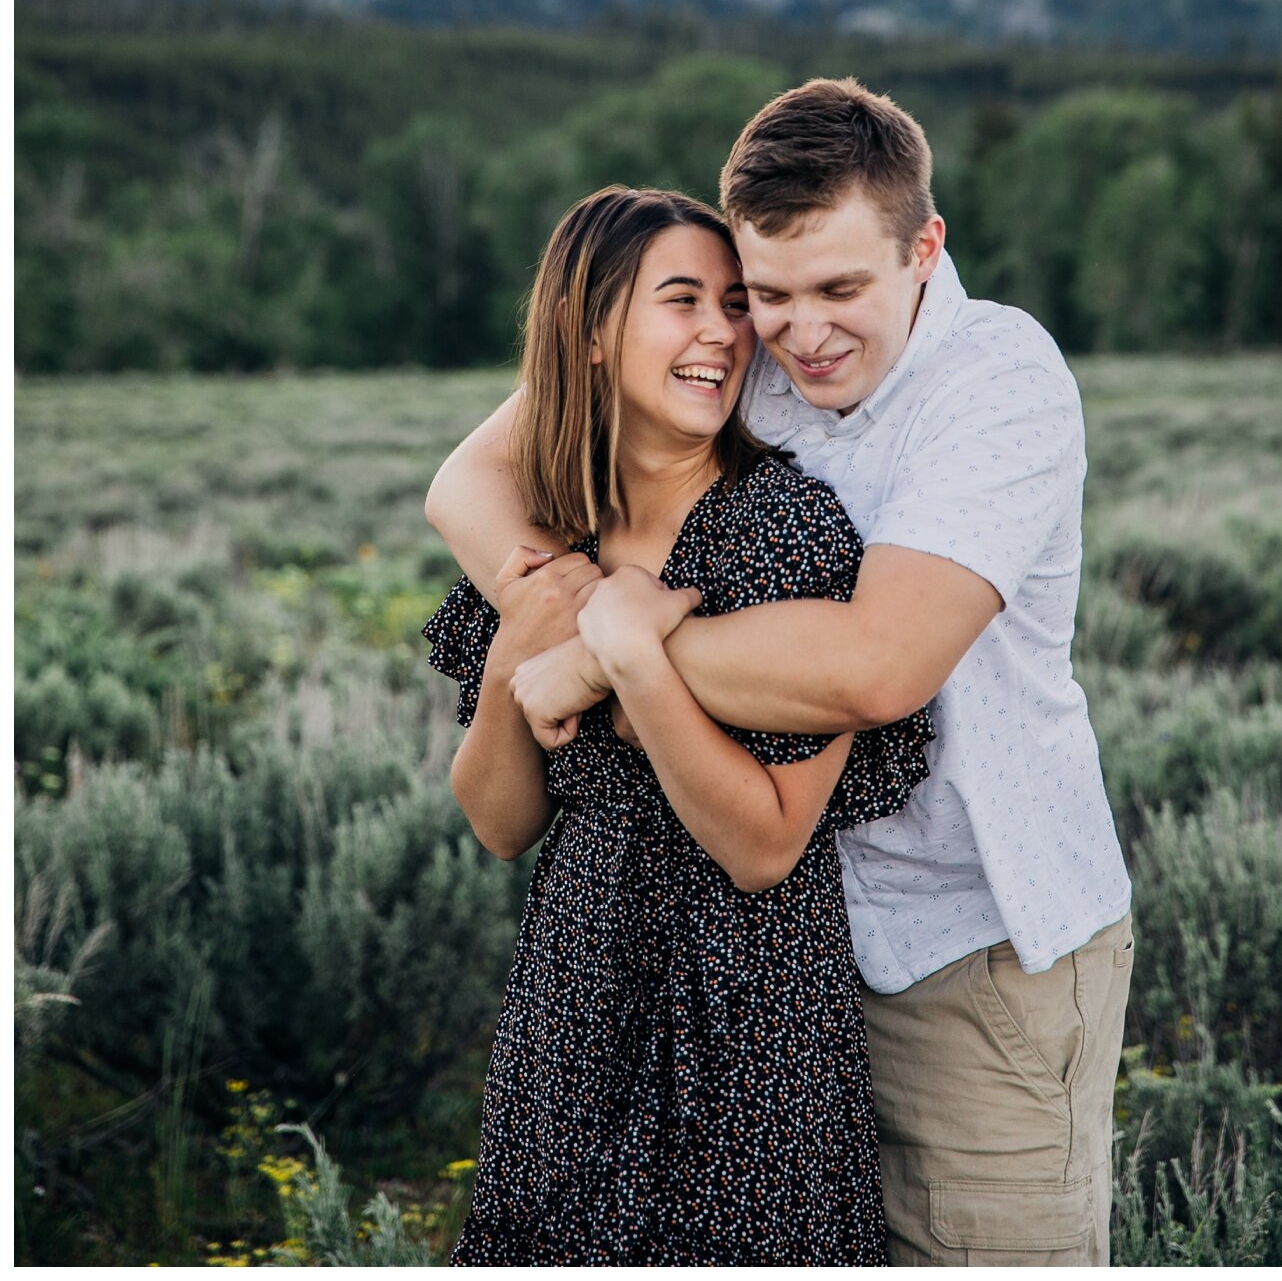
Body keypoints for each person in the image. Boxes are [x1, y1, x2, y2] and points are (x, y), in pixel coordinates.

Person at [428, 79, 1135, 1268]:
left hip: (959, 945)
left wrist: (604, 652)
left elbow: (876, 669)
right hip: (751, 961)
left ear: (924, 248)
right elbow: (467, 477)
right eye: (771, 293)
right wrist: (538, 621)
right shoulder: (736, 346)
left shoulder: (998, 379)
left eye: (840, 289)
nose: (797, 332)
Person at [424, 183, 932, 1266]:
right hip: (574, 993)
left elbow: (765, 844)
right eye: (683, 299)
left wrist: (627, 657)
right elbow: (500, 820)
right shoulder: (552, 528)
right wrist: (528, 638)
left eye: (734, 301)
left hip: (752, 1017)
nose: (723, 331)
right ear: (594, 331)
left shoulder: (784, 531)